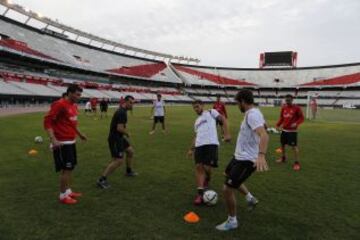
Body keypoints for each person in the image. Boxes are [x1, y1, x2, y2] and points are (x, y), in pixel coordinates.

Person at [216, 89, 269, 231]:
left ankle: (232, 221)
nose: (237, 105)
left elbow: (264, 135)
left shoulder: (252, 115)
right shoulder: (253, 113)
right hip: (239, 156)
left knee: (227, 189)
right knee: (227, 175)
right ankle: (250, 198)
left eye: (237, 103)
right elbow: (264, 127)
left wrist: (261, 155)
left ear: (243, 102)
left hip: (247, 160)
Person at [43, 84, 87, 205]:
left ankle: (68, 191)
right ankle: (63, 196)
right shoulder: (60, 104)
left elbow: (71, 123)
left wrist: (79, 134)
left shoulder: (73, 105)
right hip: (62, 143)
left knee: (70, 167)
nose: (79, 97)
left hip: (71, 141)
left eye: (80, 94)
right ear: (70, 93)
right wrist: (53, 139)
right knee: (66, 169)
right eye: (77, 94)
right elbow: (47, 121)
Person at [187, 100, 231, 205]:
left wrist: (227, 134)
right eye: (194, 108)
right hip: (199, 146)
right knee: (199, 167)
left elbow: (223, 119)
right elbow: (196, 136)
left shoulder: (211, 112)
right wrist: (191, 149)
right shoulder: (196, 121)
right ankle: (200, 194)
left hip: (211, 144)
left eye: (197, 107)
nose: (196, 109)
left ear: (202, 105)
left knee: (207, 168)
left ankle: (208, 178)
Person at [97, 95, 137, 189]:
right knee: (118, 160)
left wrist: (124, 133)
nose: (132, 105)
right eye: (130, 103)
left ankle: (128, 171)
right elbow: (119, 128)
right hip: (115, 138)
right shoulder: (121, 112)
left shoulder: (122, 111)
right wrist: (127, 133)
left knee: (130, 151)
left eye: (133, 103)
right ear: (125, 102)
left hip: (119, 137)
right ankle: (101, 180)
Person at [275, 94, 304, 171]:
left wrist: (296, 123)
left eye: (289, 100)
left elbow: (301, 118)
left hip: (292, 131)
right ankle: (283, 158)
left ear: (292, 100)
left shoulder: (297, 108)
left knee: (294, 147)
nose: (287, 101)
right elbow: (281, 118)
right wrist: (277, 125)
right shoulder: (284, 108)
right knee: (282, 145)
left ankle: (296, 163)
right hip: (284, 130)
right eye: (286, 100)